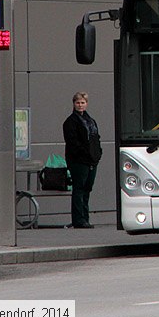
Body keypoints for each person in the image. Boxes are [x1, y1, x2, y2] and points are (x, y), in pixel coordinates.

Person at [63, 91, 102, 228]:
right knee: (79, 189)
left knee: (87, 189)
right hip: (78, 161)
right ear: (74, 104)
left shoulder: (91, 121)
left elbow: (96, 138)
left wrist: (97, 154)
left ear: (87, 104)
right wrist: (85, 153)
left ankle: (85, 217)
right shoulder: (70, 122)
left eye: (83, 102)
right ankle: (79, 220)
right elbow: (72, 143)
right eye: (78, 103)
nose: (80, 105)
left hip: (92, 160)